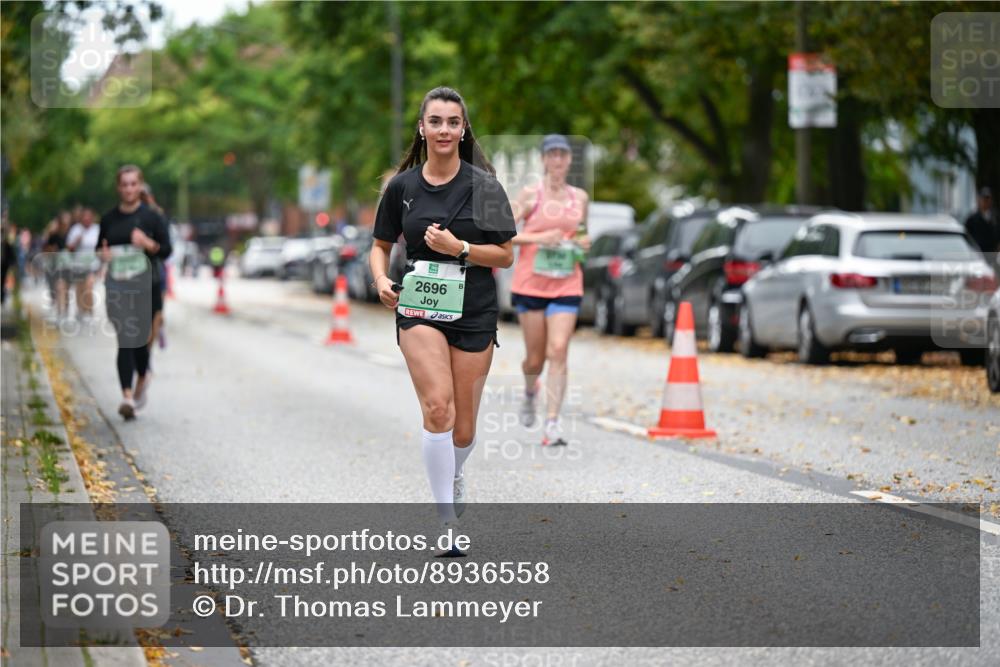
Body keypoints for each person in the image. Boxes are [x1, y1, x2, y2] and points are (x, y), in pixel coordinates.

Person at [369, 86, 516, 538]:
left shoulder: (485, 187)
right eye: (436, 121)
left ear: (463, 128)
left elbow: (506, 255)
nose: (445, 129)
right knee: (438, 407)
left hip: (473, 311)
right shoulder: (402, 187)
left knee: (463, 429)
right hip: (419, 308)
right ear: (422, 128)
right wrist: (380, 281)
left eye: (453, 122)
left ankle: (453, 470)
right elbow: (379, 246)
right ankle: (446, 521)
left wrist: (462, 248)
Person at [509, 134, 590, 446]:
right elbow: (501, 234)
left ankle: (553, 424)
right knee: (535, 360)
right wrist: (538, 238)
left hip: (567, 281)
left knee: (559, 350)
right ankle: (530, 390)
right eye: (552, 154)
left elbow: (580, 234)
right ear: (543, 159)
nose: (557, 160)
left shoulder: (579, 197)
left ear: (569, 160)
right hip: (531, 285)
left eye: (563, 155)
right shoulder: (530, 195)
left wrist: (584, 242)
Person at [98, 165, 172, 420]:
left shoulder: (152, 217)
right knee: (125, 339)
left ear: (140, 186)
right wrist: (103, 255)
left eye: (133, 184)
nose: (129, 189)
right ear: (118, 188)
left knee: (140, 342)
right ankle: (127, 396)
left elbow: (167, 251)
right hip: (118, 286)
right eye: (124, 184)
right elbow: (100, 249)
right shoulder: (108, 219)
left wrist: (148, 243)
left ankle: (144, 373)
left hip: (146, 286)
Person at [66, 207, 100, 320]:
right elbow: (69, 248)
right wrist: (76, 241)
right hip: (78, 265)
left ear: (92, 217)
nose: (86, 218)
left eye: (88, 216)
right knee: (80, 289)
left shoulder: (97, 229)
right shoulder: (75, 229)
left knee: (89, 287)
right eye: (84, 216)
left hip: (92, 265)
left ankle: (90, 312)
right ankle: (81, 311)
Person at [965, 186, 999, 257]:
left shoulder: (996, 217)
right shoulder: (972, 219)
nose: (986, 202)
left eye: (988, 199)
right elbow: (967, 236)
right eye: (983, 199)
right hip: (977, 254)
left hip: (993, 254)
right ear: (979, 200)